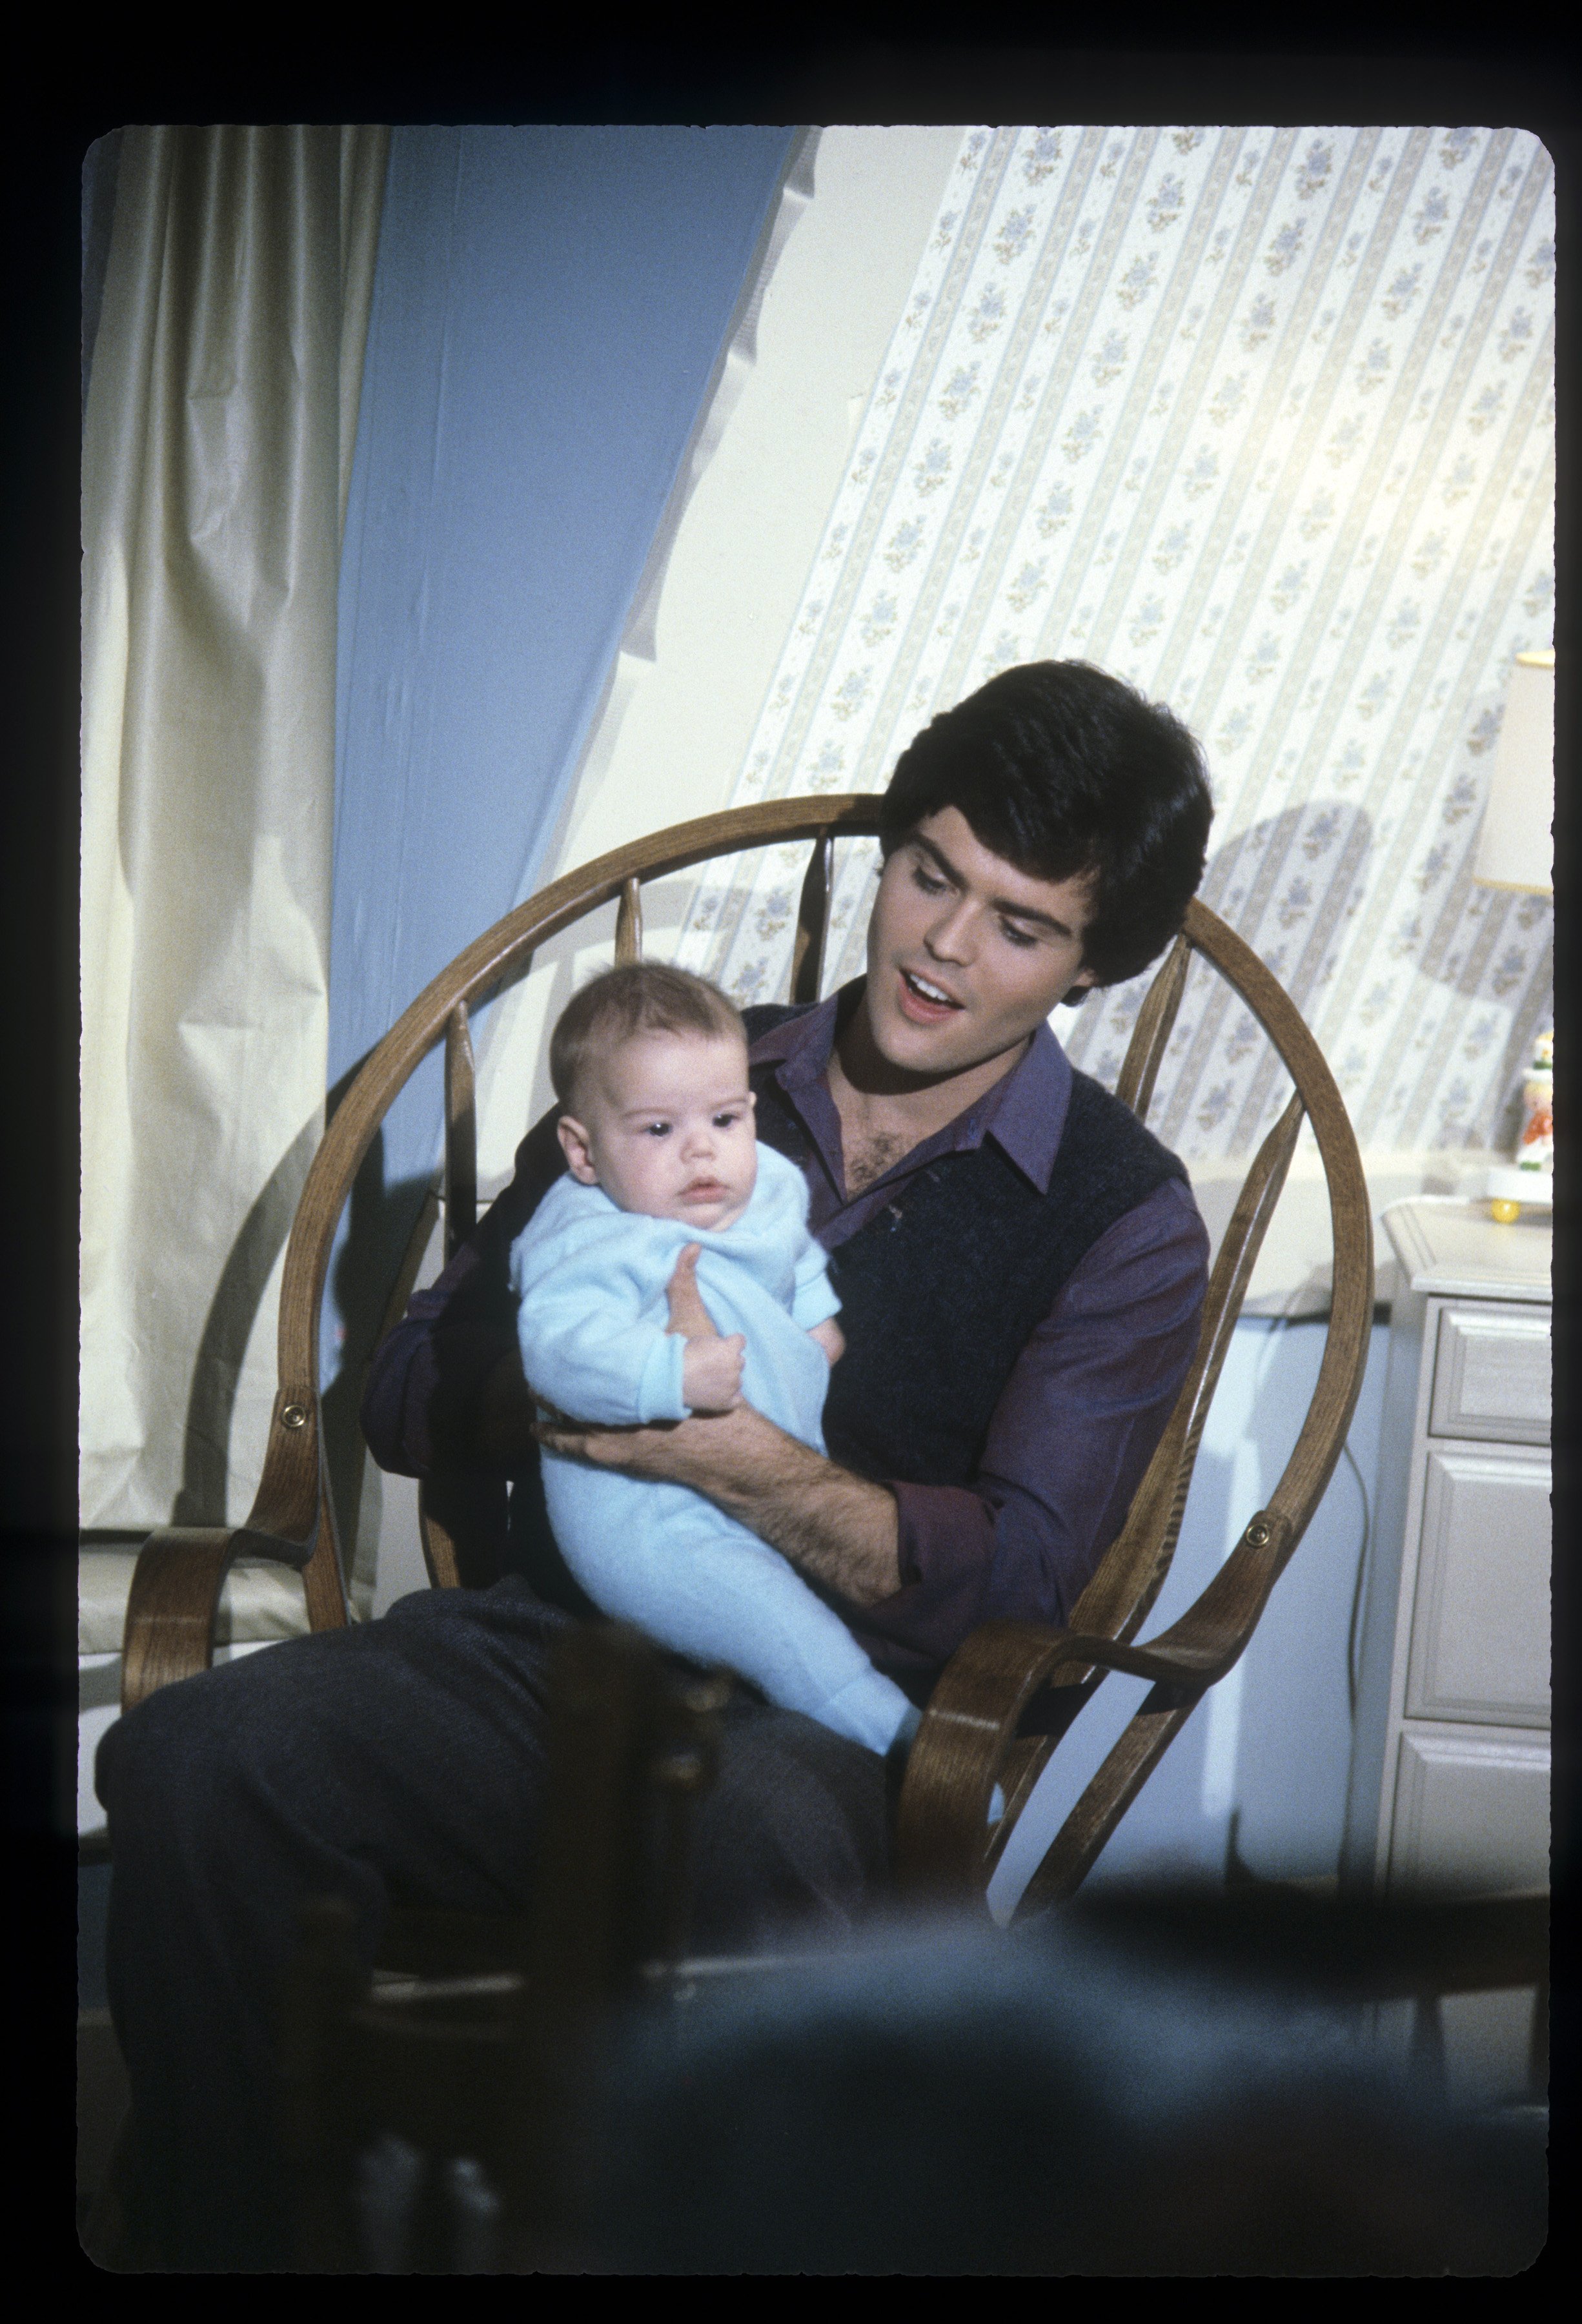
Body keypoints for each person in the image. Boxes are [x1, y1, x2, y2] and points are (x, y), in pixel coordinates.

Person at [97, 659, 1213, 2268]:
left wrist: (743, 1462)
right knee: (203, 1760)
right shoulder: (677, 1065)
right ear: (894, 852)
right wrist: (563, 1372)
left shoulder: (1119, 1213)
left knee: (752, 1845)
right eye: (928, 874)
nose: (943, 947)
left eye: (1019, 924)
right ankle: (239, 2236)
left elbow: (1029, 1576)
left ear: (1093, 962)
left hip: (812, 1715)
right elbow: (411, 1394)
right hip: (532, 1655)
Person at [512, 961, 912, 1755]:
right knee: (780, 1627)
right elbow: (556, 1347)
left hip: (768, 1482)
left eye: (725, 1121)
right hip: (646, 1520)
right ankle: (890, 1730)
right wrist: (669, 1375)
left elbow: (787, 1250)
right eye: (659, 1131)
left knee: (774, 1609)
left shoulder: (759, 1185)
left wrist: (816, 1318)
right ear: (584, 1153)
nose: (703, 1153)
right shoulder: (591, 1236)